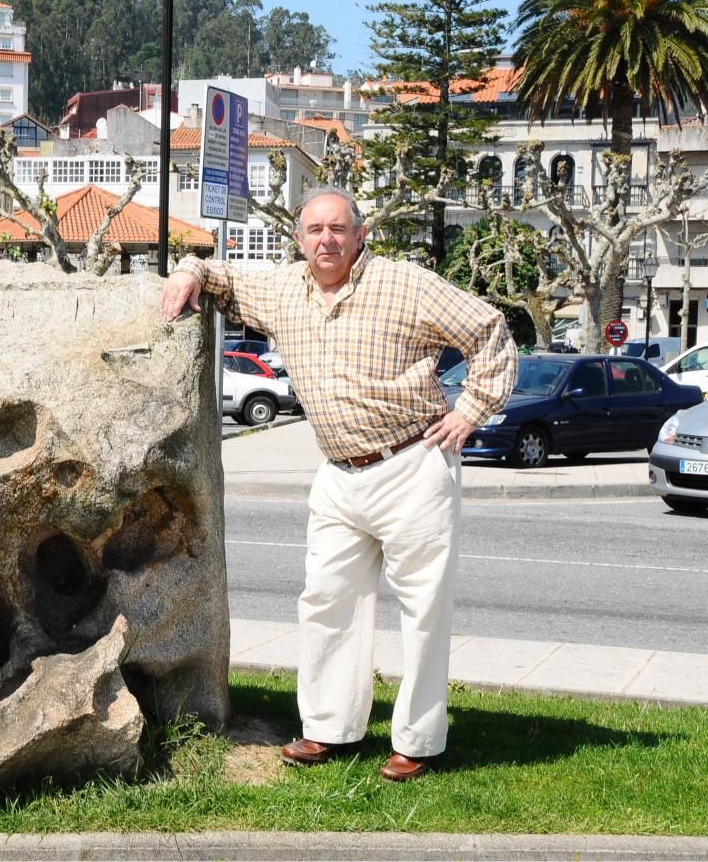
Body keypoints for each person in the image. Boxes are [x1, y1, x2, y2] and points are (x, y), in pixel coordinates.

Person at [160, 186, 517, 782]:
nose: (325, 240)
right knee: (326, 601)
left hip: (412, 464)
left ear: (360, 235)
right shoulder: (283, 289)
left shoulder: (406, 284)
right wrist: (188, 271)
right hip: (338, 474)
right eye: (314, 230)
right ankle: (328, 727)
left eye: (337, 229)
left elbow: (489, 330)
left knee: (423, 610)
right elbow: (220, 276)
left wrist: (471, 409)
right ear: (299, 239)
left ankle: (418, 741)